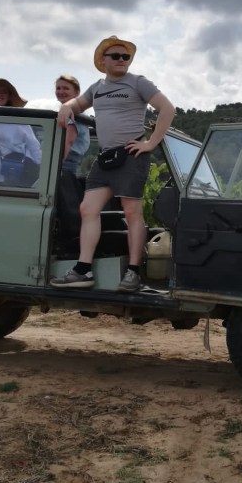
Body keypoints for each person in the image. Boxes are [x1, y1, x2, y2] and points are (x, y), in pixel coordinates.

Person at [50, 35, 175, 292]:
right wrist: (66, 107)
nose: (122, 60)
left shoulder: (138, 82)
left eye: (125, 56)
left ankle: (133, 272)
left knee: (132, 212)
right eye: (116, 56)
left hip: (131, 154)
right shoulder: (97, 87)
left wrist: (150, 143)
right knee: (87, 208)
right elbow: (77, 103)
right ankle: (83, 269)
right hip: (106, 157)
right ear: (103, 61)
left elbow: (167, 109)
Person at [55, 74, 91, 254]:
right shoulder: (79, 116)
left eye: (66, 88)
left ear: (76, 93)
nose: (61, 91)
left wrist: (52, 168)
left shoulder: (71, 115)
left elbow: (67, 143)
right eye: (58, 88)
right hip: (71, 171)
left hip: (61, 168)